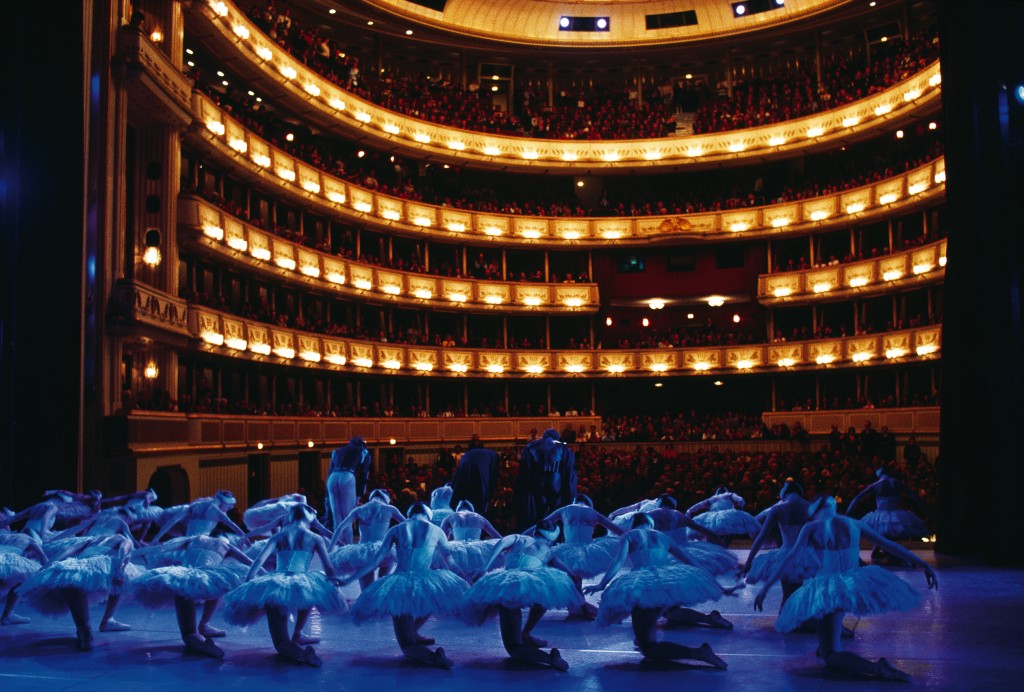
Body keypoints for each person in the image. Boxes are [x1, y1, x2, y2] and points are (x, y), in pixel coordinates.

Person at [754, 495, 938, 682]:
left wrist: (765, 588)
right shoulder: (854, 524)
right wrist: (923, 563)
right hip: (852, 583)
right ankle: (828, 641)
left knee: (830, 656)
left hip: (829, 588)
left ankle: (878, 669)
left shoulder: (811, 527)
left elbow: (790, 558)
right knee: (824, 625)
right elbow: (889, 544)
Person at [584, 513, 727, 669]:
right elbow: (689, 560)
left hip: (643, 584)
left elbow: (618, 561)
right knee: (663, 614)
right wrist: (711, 580)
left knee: (649, 649)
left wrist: (602, 584)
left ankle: (699, 653)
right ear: (651, 525)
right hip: (665, 583)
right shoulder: (663, 537)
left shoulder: (629, 536)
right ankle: (645, 632)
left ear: (633, 524)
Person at [345, 502, 468, 669]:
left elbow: (375, 560)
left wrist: (349, 578)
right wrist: (467, 582)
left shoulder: (397, 529)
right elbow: (450, 562)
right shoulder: (436, 530)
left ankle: (433, 657)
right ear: (428, 515)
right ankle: (415, 634)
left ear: (409, 514)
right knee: (437, 597)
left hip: (400, 584)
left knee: (406, 646)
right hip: (426, 581)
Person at [222, 504, 345, 667]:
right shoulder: (315, 538)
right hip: (303, 582)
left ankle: (299, 651)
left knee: (280, 642)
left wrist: (249, 581)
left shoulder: (278, 536)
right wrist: (333, 582)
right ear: (309, 520)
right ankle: (299, 635)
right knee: (310, 592)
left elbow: (259, 560)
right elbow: (328, 566)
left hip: (277, 584)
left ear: (291, 518)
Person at [461, 518, 579, 671]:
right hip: (527, 587)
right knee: (548, 590)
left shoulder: (519, 538)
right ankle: (528, 633)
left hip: (507, 587)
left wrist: (486, 566)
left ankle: (548, 657)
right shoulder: (549, 552)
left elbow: (501, 542)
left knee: (513, 648)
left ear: (535, 531)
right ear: (552, 538)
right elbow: (569, 574)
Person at [131, 534, 254, 658]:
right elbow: (250, 562)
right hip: (206, 580)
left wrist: (131, 554)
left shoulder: (194, 539)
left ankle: (198, 635)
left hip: (187, 578)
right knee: (220, 582)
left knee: (189, 629)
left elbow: (161, 548)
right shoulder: (226, 545)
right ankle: (203, 628)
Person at [20, 533, 138, 650]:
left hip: (82, 561)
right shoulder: (121, 537)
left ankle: (85, 630)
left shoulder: (92, 539)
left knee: (73, 582)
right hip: (102, 562)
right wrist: (121, 568)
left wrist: (45, 567)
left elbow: (67, 551)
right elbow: (125, 549)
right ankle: (99, 624)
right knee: (126, 577)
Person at [743, 480, 821, 621]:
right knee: (795, 593)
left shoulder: (778, 508)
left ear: (784, 494)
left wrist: (748, 563)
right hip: (806, 555)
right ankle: (796, 619)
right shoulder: (810, 507)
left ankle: (795, 620)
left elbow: (761, 537)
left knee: (789, 594)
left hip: (786, 553)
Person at [540, 495, 624, 619]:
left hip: (567, 550)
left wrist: (523, 536)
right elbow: (618, 530)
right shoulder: (592, 512)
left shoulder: (564, 510)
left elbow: (542, 525)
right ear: (588, 503)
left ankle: (580, 611)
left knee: (574, 581)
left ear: (575, 501)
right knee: (575, 581)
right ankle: (581, 611)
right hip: (587, 550)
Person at [845, 467, 930, 562]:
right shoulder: (896, 483)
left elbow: (857, 498)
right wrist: (925, 510)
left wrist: (848, 512)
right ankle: (888, 554)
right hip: (894, 515)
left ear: (879, 474)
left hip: (881, 514)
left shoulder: (876, 485)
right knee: (885, 533)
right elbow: (914, 497)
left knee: (884, 533)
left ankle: (892, 555)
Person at [328, 489, 405, 591]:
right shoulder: (389, 509)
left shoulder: (359, 510)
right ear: (386, 499)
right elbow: (407, 525)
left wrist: (330, 548)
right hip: (383, 550)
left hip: (362, 553)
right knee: (381, 586)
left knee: (366, 591)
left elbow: (340, 528)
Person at [514, 428, 577, 532]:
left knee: (539, 511)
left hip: (536, 482)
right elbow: (569, 473)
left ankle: (539, 534)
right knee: (555, 511)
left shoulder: (531, 446)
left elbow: (524, 471)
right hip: (556, 481)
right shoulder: (563, 448)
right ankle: (555, 535)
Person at [150, 490, 248, 544]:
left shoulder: (201, 506)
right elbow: (233, 526)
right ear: (223, 502)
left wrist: (156, 538)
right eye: (228, 506)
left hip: (189, 535)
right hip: (196, 539)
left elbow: (173, 520)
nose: (229, 508)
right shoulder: (216, 511)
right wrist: (246, 538)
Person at [438, 500, 502, 580]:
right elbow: (498, 537)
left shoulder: (450, 517)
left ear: (458, 509)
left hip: (457, 550)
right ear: (471, 509)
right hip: (478, 551)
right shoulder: (480, 517)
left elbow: (440, 539)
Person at [327, 436, 372, 541]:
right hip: (348, 475)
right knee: (348, 518)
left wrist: (326, 494)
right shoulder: (363, 451)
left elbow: (329, 472)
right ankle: (347, 547)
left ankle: (338, 546)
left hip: (332, 478)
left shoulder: (336, 451)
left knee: (337, 517)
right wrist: (359, 494)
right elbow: (364, 474)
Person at [686, 486, 760, 547]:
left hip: (713, 516)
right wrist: (741, 503)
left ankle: (718, 546)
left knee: (711, 531)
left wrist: (689, 510)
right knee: (732, 530)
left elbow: (699, 505)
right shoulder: (729, 495)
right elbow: (738, 498)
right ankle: (722, 546)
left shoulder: (712, 499)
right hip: (727, 515)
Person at [0, 532, 47, 625]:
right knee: (22, 581)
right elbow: (43, 557)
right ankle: (8, 615)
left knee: (7, 584)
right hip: (10, 561)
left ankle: (9, 615)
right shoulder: (31, 540)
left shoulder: (3, 536)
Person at [451, 444, 499, 514]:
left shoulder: (469, 454)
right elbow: (492, 476)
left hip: (466, 466)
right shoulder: (494, 456)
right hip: (479, 473)